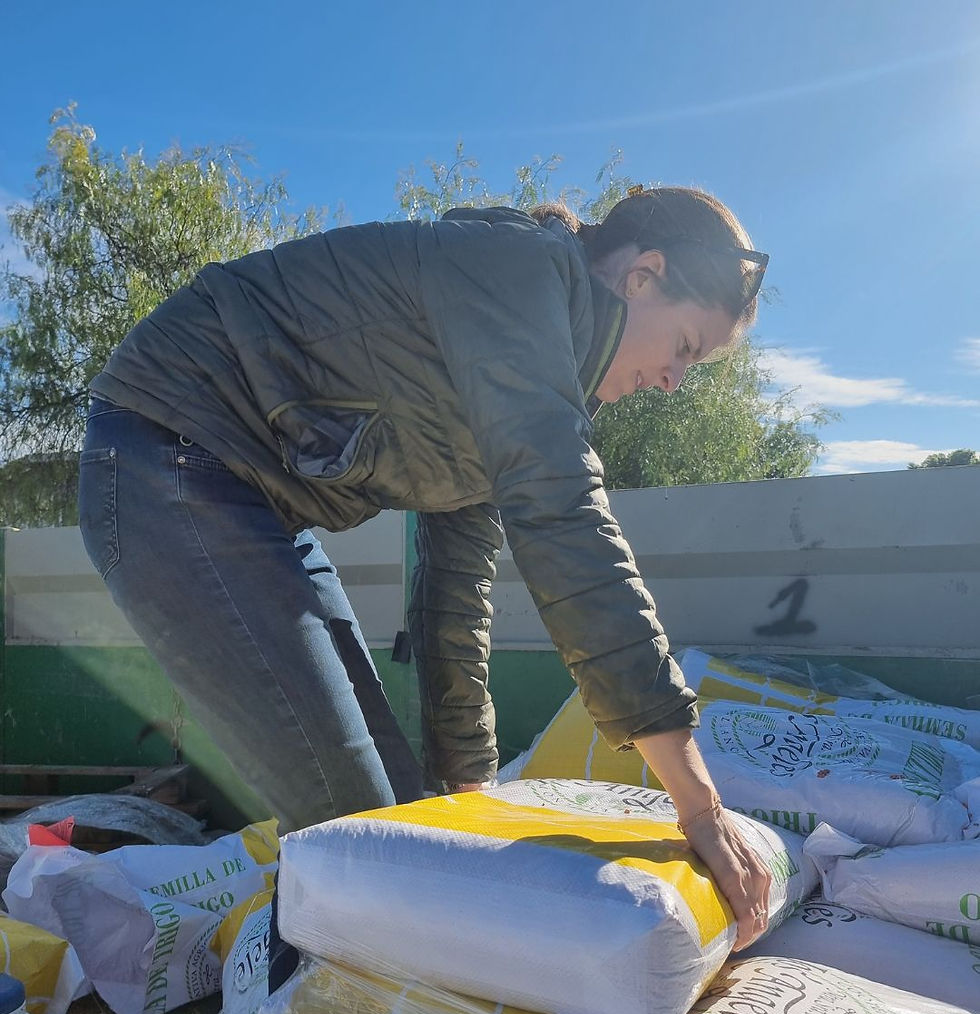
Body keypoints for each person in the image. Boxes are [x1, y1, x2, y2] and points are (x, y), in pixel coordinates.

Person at [79, 184, 772, 950]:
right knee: (359, 837)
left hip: (257, 507)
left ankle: (333, 983)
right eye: (685, 347)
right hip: (165, 457)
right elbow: (566, 521)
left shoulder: (528, 371)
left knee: (403, 820)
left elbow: (456, 589)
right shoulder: (516, 271)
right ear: (642, 275)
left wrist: (470, 782)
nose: (674, 381)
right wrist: (699, 806)